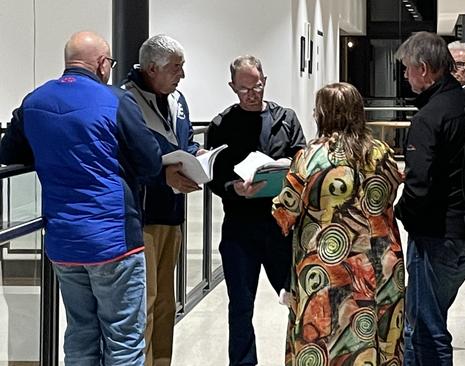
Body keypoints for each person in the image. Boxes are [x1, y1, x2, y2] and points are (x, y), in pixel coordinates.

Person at [0, 31, 161, 365]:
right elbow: (149, 161)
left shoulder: (34, 102)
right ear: (103, 64)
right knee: (123, 339)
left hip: (64, 242)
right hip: (114, 240)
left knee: (80, 334)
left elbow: (9, 151)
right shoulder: (115, 100)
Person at [272, 82, 405, 365]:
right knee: (378, 336)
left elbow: (287, 211)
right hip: (381, 261)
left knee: (323, 338)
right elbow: (391, 193)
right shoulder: (381, 152)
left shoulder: (309, 156)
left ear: (324, 114)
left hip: (328, 266)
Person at [394, 32, 465, 365]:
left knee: (424, 330)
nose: (405, 76)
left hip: (438, 236)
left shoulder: (429, 117)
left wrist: (398, 213)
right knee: (428, 321)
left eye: (407, 69)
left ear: (423, 68)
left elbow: (419, 187)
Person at [205, 55, 305, 366]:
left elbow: (302, 160)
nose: (253, 93)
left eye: (258, 86)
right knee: (241, 305)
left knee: (297, 298)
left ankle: (302, 357)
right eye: (245, 89)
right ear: (233, 86)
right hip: (239, 226)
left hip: (280, 224)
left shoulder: (285, 119)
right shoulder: (221, 125)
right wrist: (232, 188)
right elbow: (212, 175)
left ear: (265, 81)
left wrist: (290, 168)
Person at [122, 34, 203, 366]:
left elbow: (184, 142)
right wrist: (161, 176)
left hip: (173, 214)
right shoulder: (126, 102)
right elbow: (125, 160)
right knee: (147, 303)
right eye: (175, 67)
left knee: (167, 302)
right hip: (143, 218)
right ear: (152, 68)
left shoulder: (178, 100)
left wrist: (198, 158)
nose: (181, 75)